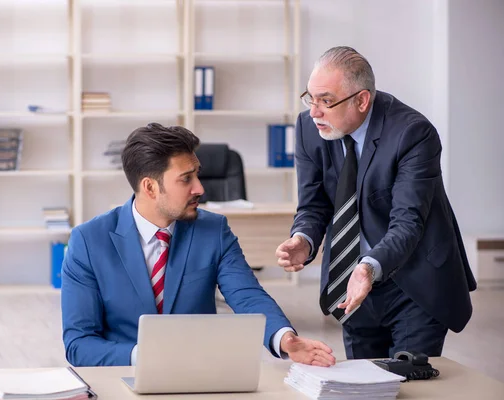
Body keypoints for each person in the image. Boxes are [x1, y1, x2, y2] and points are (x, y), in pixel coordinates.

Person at [62, 122, 335, 367]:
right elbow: (79, 343)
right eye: (186, 179)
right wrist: (144, 357)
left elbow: (247, 295)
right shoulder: (88, 241)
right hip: (121, 378)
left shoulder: (213, 230)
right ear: (150, 187)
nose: (200, 188)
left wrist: (286, 340)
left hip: (197, 378)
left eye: (197, 174)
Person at [275, 46, 476, 359]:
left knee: (409, 384)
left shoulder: (413, 134)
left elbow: (408, 222)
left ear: (362, 100)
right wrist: (304, 239)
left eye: (326, 101)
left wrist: (368, 267)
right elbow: (313, 205)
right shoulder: (308, 128)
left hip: (415, 280)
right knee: (362, 383)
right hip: (351, 281)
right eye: (310, 98)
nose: (315, 111)